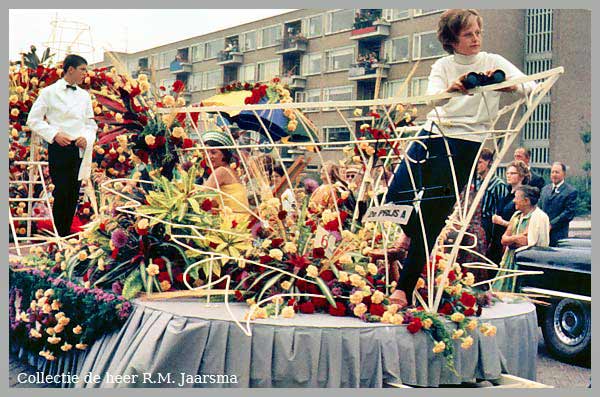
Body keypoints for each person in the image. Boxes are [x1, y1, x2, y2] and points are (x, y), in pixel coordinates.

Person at [385, 9, 536, 307]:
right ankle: (411, 236)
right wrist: (452, 90)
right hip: (433, 134)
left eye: (478, 32)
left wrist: (510, 86)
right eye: (468, 34)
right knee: (394, 197)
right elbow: (431, 101)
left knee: (434, 214)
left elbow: (530, 87)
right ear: (452, 39)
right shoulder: (443, 65)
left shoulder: (493, 61)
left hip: (467, 145)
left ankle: (403, 288)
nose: (476, 39)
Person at [27, 54, 97, 237]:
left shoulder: (85, 96)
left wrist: (86, 138)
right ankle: (61, 237)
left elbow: (91, 124)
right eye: (83, 69)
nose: (85, 74)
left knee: (73, 194)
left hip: (79, 149)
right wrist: (54, 134)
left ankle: (65, 239)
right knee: (62, 193)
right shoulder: (49, 92)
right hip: (59, 148)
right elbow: (33, 120)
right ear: (71, 69)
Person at [493, 185, 549, 292]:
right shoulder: (516, 216)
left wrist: (512, 240)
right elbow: (503, 240)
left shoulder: (540, 217)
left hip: (526, 264)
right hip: (510, 261)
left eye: (516, 198)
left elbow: (527, 242)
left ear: (526, 201)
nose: (514, 201)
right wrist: (517, 237)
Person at [488, 160, 530, 264]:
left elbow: (521, 225)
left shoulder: (523, 196)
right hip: (497, 238)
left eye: (512, 173)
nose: (508, 175)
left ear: (521, 176)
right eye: (507, 173)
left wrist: (502, 222)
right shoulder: (507, 193)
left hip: (509, 241)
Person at [201, 131, 250, 218]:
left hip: (233, 221)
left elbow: (200, 195)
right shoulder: (230, 170)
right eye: (206, 152)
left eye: (213, 152)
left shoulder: (221, 171)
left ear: (224, 154)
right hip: (242, 220)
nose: (208, 156)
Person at [539, 162, 578, 246]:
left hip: (558, 234)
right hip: (542, 232)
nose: (554, 175)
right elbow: (539, 208)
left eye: (557, 172)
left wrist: (551, 224)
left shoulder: (570, 191)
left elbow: (569, 213)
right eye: (552, 172)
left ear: (564, 174)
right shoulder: (545, 189)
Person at [476, 148, 510, 244]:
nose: (477, 166)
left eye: (480, 162)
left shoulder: (498, 185)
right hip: (476, 222)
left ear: (489, 163)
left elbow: (500, 210)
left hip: (489, 224)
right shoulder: (477, 182)